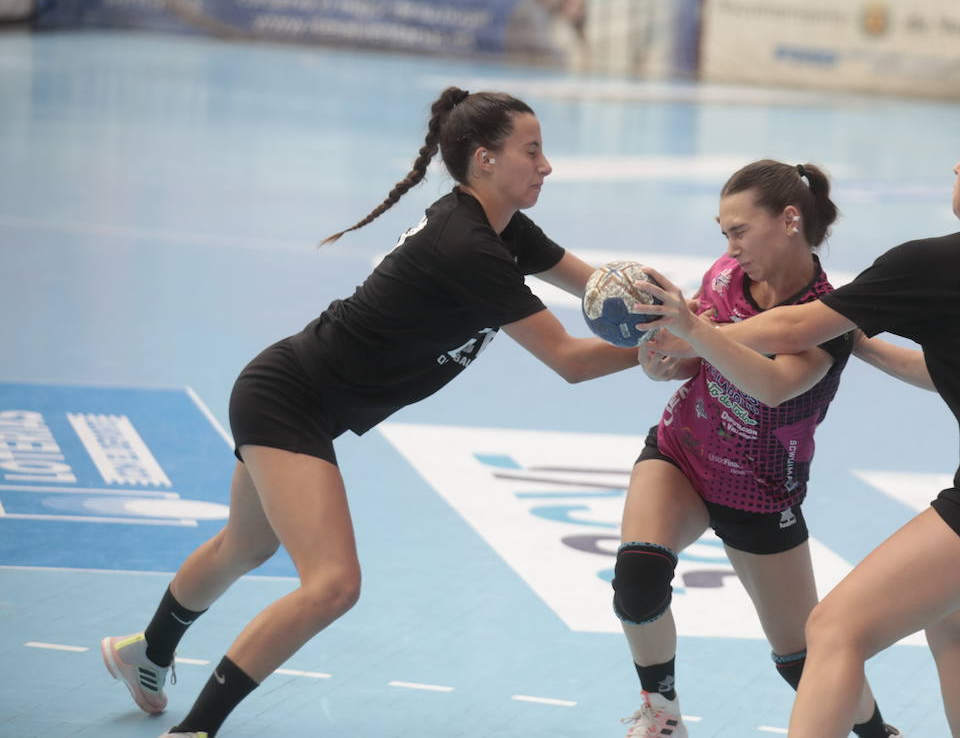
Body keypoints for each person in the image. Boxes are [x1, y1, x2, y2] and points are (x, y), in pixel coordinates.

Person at [99, 87, 645, 738]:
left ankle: (145, 653)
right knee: (332, 585)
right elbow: (569, 359)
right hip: (289, 398)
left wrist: (698, 318)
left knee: (245, 544)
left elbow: (600, 290)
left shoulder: (503, 230)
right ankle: (195, 730)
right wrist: (666, 349)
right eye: (532, 151)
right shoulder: (467, 246)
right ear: (485, 160)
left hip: (294, 393)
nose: (546, 165)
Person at [637, 108, 960, 738]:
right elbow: (958, 373)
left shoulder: (941, 260)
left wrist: (694, 330)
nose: (956, 167)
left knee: (833, 631)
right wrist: (862, 343)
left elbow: (794, 327)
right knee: (954, 623)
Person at [618, 161, 899, 738]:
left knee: (801, 661)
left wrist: (694, 331)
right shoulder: (725, 276)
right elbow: (686, 360)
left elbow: (773, 385)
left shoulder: (829, 313)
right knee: (638, 577)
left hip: (759, 489)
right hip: (684, 452)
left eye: (739, 231)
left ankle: (876, 734)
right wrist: (660, 358)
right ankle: (662, 713)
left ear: (789, 220)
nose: (730, 246)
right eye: (724, 233)